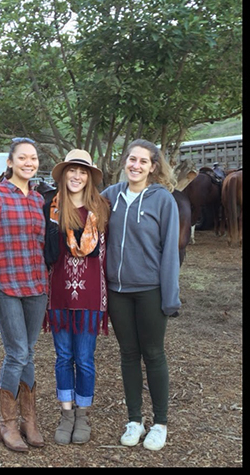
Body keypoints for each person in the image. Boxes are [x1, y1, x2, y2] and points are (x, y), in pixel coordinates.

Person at [101, 139, 181, 451]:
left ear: (153, 167)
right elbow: (84, 215)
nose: (135, 165)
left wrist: (169, 296)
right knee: (128, 354)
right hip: (118, 291)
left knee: (153, 353)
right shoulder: (110, 196)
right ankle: (134, 419)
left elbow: (170, 254)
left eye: (143, 161)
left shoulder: (163, 201)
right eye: (131, 159)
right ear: (125, 162)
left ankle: (159, 422)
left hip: (150, 290)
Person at [0, 137, 48, 452]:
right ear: (10, 162)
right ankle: (7, 422)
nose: (28, 163)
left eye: (33, 158)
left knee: (29, 352)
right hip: (5, 283)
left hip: (35, 284)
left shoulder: (38, 200)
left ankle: (28, 419)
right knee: (17, 351)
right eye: (22, 158)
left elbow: (41, 244)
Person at [43, 149, 111, 445]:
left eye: (83, 172)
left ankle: (82, 413)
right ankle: (66, 412)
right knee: (63, 358)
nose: (77, 176)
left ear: (90, 177)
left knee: (84, 359)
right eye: (72, 170)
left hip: (91, 297)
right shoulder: (53, 210)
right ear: (64, 174)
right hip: (59, 295)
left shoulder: (103, 209)